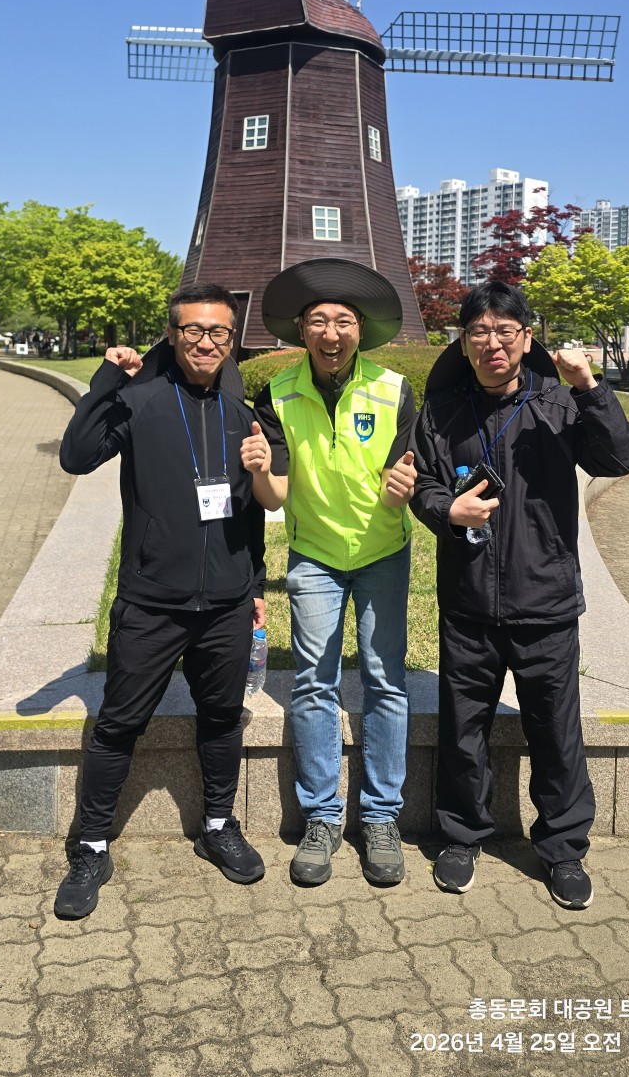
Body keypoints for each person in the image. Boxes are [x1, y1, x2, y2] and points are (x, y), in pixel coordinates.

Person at [411, 280, 629, 909]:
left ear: (526, 338)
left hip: (546, 602)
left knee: (556, 732)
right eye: (479, 332)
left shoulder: (559, 404)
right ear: (463, 342)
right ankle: (461, 837)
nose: (493, 344)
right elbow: (422, 483)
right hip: (468, 603)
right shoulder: (442, 411)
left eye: (505, 332)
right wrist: (446, 509)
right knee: (463, 730)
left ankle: (563, 848)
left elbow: (620, 459)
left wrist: (590, 387)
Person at [53, 283, 266, 920]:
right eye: (193, 330)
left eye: (219, 332)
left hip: (227, 602)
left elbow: (249, 509)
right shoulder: (140, 400)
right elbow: (76, 457)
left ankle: (219, 825)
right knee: (119, 722)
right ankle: (91, 846)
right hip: (151, 601)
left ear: (232, 340)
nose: (206, 342)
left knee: (222, 717)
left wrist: (255, 584)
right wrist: (105, 382)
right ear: (172, 335)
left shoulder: (241, 410)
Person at [241, 259, 417, 888]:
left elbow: (402, 471)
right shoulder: (278, 393)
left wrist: (401, 487)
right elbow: (276, 493)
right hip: (314, 554)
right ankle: (322, 816)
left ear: (361, 330)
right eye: (319, 321)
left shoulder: (394, 389)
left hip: (381, 551)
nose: (331, 332)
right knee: (313, 682)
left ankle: (382, 817)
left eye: (343, 321)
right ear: (301, 329)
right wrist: (259, 471)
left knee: (385, 682)